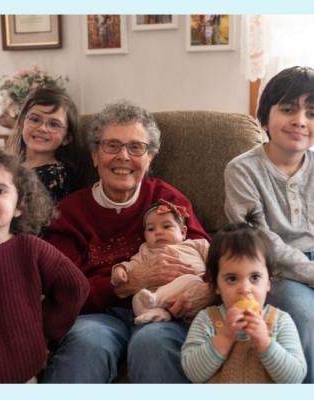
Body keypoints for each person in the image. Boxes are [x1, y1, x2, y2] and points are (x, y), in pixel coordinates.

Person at [40, 100, 211, 383]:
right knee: (87, 343)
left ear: (150, 158)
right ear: (94, 155)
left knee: (153, 344)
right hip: (98, 316)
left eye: (135, 147)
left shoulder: (169, 201)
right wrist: (127, 283)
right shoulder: (69, 213)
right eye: (111, 146)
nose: (123, 156)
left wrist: (204, 290)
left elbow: (210, 258)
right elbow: (62, 291)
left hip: (164, 312)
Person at [224, 66, 314, 383]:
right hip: (274, 268)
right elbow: (260, 240)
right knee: (302, 313)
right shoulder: (242, 170)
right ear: (264, 118)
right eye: (288, 109)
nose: (300, 120)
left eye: (311, 112)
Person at [0, 147, 89, 383]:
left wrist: (46, 329)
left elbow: (76, 286)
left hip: (24, 377)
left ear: (19, 205)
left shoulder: (31, 248)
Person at [181, 215, 307, 383]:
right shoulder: (207, 320)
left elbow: (295, 378)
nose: (245, 289)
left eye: (254, 277)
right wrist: (224, 337)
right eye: (232, 279)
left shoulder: (280, 321)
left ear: (268, 283)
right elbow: (193, 373)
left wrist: (265, 342)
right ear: (217, 286)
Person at [111, 198, 210, 325]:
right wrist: (120, 269)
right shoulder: (145, 251)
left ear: (183, 232)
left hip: (192, 291)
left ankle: (156, 301)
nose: (158, 232)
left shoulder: (196, 244)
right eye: (151, 229)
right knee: (137, 298)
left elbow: (216, 260)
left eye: (166, 226)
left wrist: (213, 285)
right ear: (145, 236)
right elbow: (133, 266)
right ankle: (158, 313)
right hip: (156, 295)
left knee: (190, 279)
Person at [7, 87, 89, 204]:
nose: (42, 128)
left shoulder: (55, 176)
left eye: (54, 124)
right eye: (35, 119)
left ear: (67, 138)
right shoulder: (12, 164)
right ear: (21, 123)